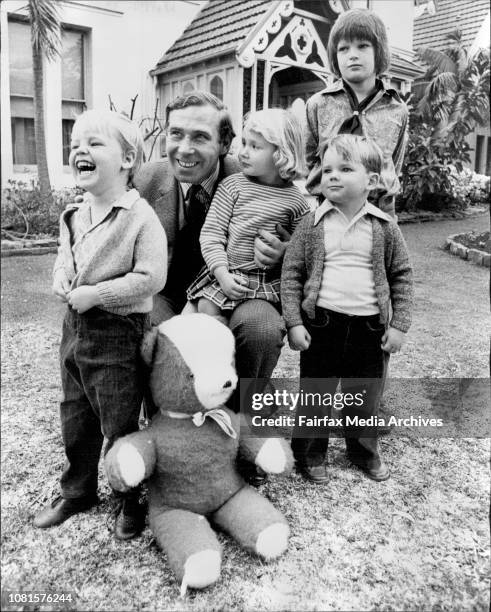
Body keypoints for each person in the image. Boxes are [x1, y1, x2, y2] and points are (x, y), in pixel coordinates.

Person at [134, 93, 289, 485]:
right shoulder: (146, 180)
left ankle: (242, 425)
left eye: (200, 137)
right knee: (148, 322)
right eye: (176, 134)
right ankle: (166, 430)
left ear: (224, 144)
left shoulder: (257, 173)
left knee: (262, 327)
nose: (184, 149)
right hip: (169, 289)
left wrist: (283, 252)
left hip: (240, 288)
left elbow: (306, 231)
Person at [33, 110, 167, 539]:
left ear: (128, 159)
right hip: (74, 329)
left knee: (118, 420)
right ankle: (78, 490)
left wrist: (99, 294)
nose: (80, 151)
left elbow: (151, 278)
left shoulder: (139, 216)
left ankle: (130, 495)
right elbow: (64, 258)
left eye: (94, 144)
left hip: (116, 333)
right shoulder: (73, 215)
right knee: (75, 412)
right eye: (75, 145)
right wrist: (60, 278)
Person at [281, 134, 413, 484]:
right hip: (323, 322)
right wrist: (294, 322)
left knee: (365, 396)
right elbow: (292, 273)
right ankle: (309, 453)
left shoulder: (384, 227)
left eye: (344, 168)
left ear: (371, 181)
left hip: (370, 327)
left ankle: (362, 451)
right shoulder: (312, 224)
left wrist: (398, 325)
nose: (332, 176)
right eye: (326, 170)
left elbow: (402, 276)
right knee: (316, 392)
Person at [185, 108, 310, 322]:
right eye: (243, 143)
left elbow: (304, 246)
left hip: (266, 281)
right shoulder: (233, 186)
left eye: (254, 146)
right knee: (205, 307)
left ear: (281, 154)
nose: (243, 152)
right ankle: (217, 348)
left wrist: (287, 251)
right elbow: (212, 234)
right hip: (228, 272)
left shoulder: (296, 201)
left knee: (258, 324)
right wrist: (222, 274)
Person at [304, 8, 409, 218]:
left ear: (378, 52)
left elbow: (393, 165)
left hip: (381, 211)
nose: (352, 55)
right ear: (335, 56)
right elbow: (310, 160)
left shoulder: (398, 109)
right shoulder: (318, 104)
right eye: (343, 49)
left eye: (362, 46)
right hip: (331, 209)